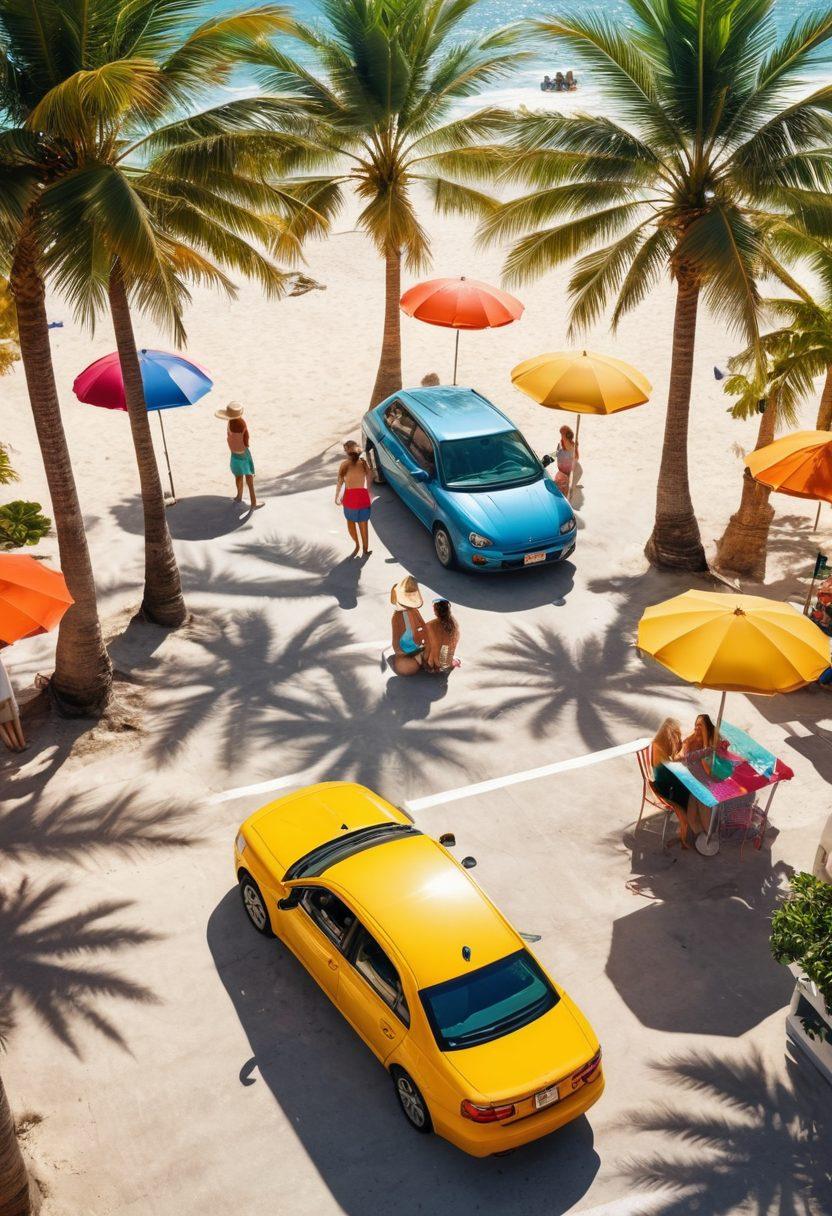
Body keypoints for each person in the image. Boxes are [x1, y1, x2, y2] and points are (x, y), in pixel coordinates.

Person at [649, 718, 696, 847]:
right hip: (663, 787)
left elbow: (672, 762)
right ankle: (685, 827)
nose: (678, 739)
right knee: (687, 789)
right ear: (669, 735)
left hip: (663, 781)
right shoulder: (659, 749)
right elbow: (670, 770)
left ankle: (688, 824)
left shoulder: (658, 744)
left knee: (686, 785)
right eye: (676, 735)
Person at [216, 401, 259, 509]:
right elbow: (246, 439)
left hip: (234, 454)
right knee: (249, 477)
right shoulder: (242, 423)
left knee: (238, 475)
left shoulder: (229, 423)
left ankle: (239, 496)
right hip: (244, 453)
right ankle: (253, 502)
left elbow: (229, 437)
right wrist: (245, 445)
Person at [335, 440, 373, 557]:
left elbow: (340, 482)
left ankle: (357, 544)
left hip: (350, 499)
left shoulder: (344, 465)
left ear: (347, 452)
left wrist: (336, 496)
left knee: (351, 525)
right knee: (364, 525)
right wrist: (369, 490)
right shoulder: (363, 462)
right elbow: (370, 475)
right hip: (362, 497)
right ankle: (365, 549)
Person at [387, 576, 427, 675]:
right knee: (406, 668)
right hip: (405, 651)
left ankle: (425, 661)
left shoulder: (414, 611)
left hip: (416, 646)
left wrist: (426, 640)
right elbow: (396, 643)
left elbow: (423, 626)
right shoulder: (398, 617)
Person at [425, 599, 460, 674]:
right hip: (447, 662)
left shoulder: (430, 625)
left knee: (426, 644)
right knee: (445, 646)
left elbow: (433, 647)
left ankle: (432, 665)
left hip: (436, 663)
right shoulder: (454, 623)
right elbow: (454, 643)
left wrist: (432, 664)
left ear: (435, 611)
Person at [0, 647, 25, 752]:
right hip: (4, 695)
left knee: (4, 721)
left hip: (3, 695)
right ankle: (18, 744)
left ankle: (12, 744)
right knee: (8, 719)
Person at [554, 424, 579, 495]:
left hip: (567, 473)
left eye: (562, 435)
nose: (561, 437)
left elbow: (576, 458)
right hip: (561, 471)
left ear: (568, 436)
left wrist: (576, 448)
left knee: (563, 489)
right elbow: (556, 454)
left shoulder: (573, 446)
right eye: (561, 435)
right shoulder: (560, 444)